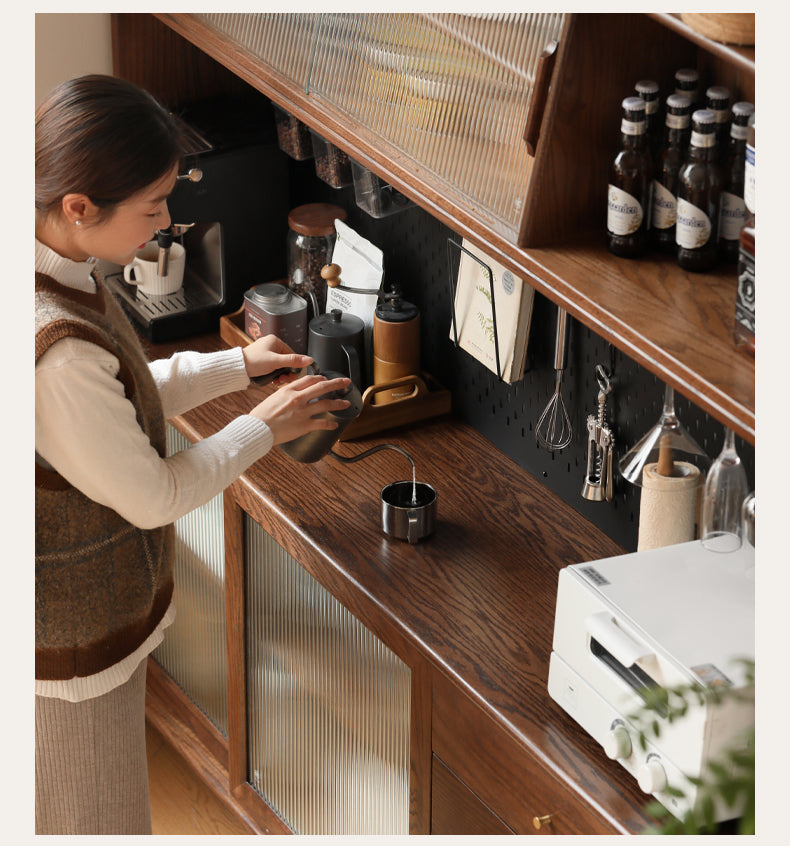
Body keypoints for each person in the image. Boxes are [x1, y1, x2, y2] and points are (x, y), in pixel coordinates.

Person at [34, 74, 350, 835]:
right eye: (151, 208)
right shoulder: (51, 352)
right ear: (79, 208)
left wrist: (236, 369)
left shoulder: (57, 269)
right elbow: (154, 495)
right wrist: (264, 428)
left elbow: (123, 393)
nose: (167, 221)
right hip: (65, 658)